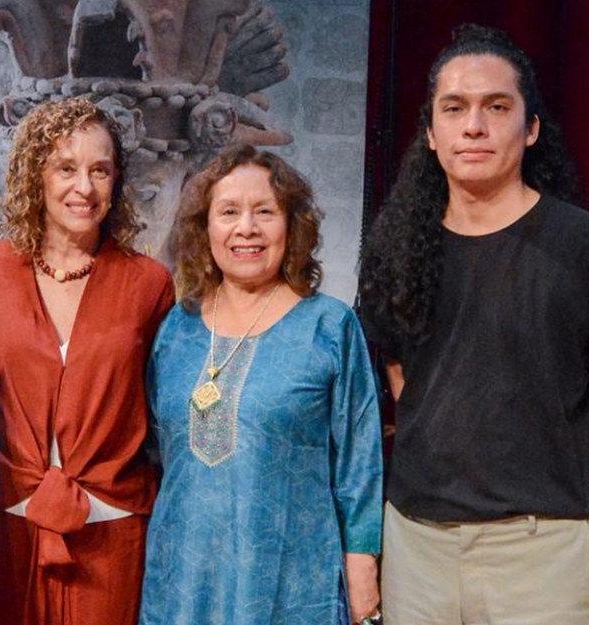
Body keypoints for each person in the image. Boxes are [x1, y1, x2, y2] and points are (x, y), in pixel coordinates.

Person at [362, 25, 589, 625]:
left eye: (497, 107)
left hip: (540, 554)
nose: (474, 125)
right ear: (430, 132)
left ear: (530, 128)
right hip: (418, 546)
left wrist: (543, 495)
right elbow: (406, 387)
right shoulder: (396, 251)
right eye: (454, 108)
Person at [140, 144, 384, 625]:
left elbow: (360, 459)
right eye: (229, 212)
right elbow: (155, 453)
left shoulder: (328, 327)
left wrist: (363, 565)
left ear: (291, 225)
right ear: (205, 227)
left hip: (293, 584)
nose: (245, 228)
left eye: (264, 212)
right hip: (184, 584)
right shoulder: (176, 329)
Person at [0, 98, 174, 625]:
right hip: (11, 527)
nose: (83, 188)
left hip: (112, 531)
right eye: (66, 167)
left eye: (99, 170)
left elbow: (165, 409)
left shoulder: (149, 283)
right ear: (35, 175)